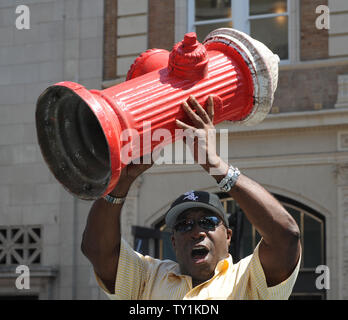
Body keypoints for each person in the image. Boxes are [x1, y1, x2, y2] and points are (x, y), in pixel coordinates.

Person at [81, 96, 301, 299]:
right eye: (184, 225)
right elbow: (97, 251)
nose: (197, 231)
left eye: (208, 222)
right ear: (174, 241)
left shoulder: (247, 279)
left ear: (228, 236)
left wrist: (216, 166)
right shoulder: (148, 278)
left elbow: (286, 236)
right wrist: (120, 184)